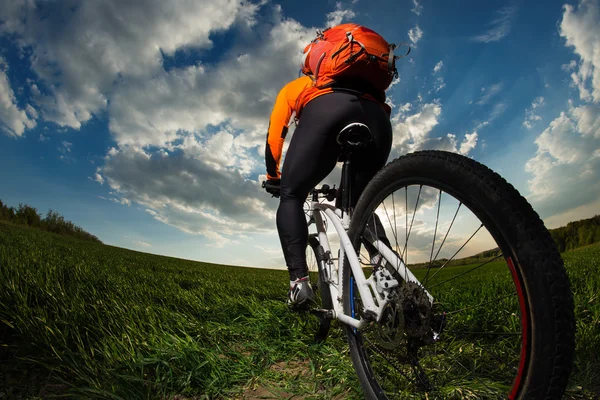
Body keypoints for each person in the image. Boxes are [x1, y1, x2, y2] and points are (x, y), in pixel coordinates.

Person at [264, 27, 395, 310]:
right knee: (360, 203)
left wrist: (273, 176)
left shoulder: (299, 87)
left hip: (326, 113)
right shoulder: (369, 87)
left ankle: (298, 283)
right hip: (378, 119)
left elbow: (275, 135)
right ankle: (385, 269)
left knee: (292, 196)